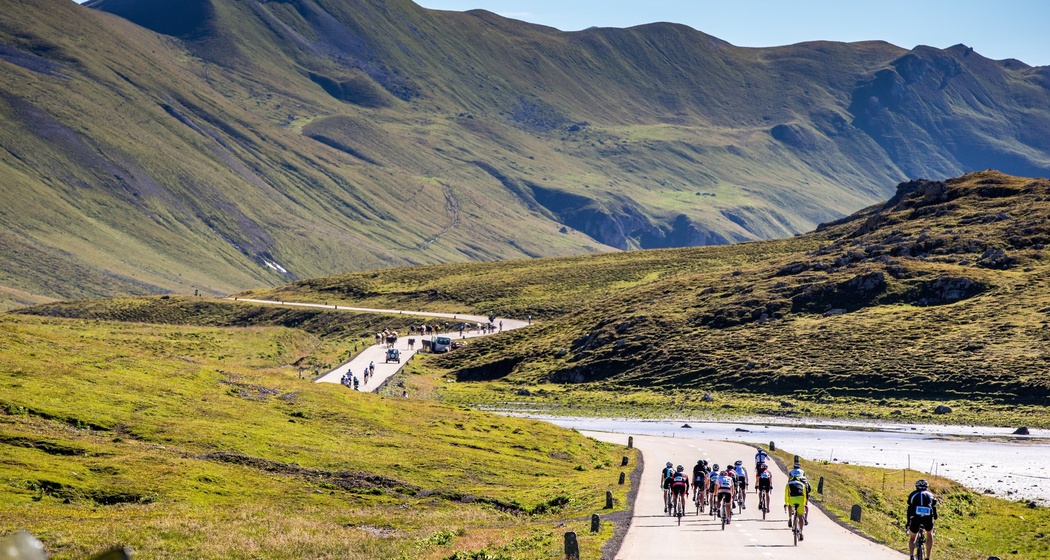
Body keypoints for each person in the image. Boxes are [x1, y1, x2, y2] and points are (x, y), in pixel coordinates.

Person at [907, 479, 937, 560]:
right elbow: (934, 508)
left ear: (916, 487)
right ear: (926, 487)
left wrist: (908, 522)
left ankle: (911, 556)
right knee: (929, 533)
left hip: (916, 518)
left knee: (913, 537)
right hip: (927, 518)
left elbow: (909, 508)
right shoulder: (930, 495)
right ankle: (928, 557)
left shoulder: (913, 494)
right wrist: (935, 517)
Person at [784, 475, 808, 541]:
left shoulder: (788, 484)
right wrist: (804, 503)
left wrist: (786, 503)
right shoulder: (802, 484)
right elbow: (805, 495)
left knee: (790, 505)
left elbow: (786, 495)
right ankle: (801, 533)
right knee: (800, 516)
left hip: (792, 499)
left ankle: (790, 519)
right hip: (800, 500)